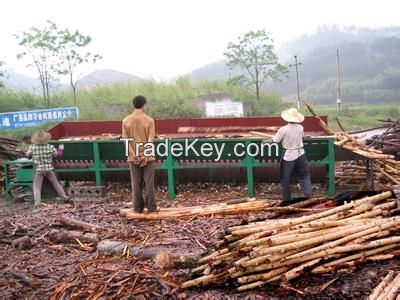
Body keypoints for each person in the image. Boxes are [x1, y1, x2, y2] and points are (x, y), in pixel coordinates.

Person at [122, 95, 157, 213]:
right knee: (149, 183)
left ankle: (137, 207)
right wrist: (145, 155)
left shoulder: (126, 121)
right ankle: (151, 207)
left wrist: (134, 155)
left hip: (133, 157)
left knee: (135, 184)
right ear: (143, 105)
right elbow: (151, 139)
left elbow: (125, 140)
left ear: (134, 105)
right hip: (149, 156)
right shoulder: (149, 120)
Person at [272, 108, 313, 201]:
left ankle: (286, 199)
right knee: (304, 175)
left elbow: (275, 140)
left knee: (285, 178)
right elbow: (302, 138)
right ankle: (309, 194)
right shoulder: (301, 128)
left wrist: (269, 140)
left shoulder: (283, 129)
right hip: (301, 154)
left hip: (289, 155)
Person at [26, 130, 68, 207]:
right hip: (49, 169)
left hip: (39, 170)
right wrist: (61, 148)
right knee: (56, 184)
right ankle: (64, 197)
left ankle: (37, 203)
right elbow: (58, 155)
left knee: (37, 187)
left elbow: (27, 155)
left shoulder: (32, 147)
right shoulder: (50, 147)